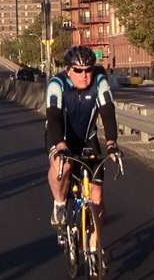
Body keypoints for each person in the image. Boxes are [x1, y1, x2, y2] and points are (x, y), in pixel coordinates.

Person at [45, 45, 122, 228]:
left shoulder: (99, 81)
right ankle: (59, 204)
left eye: (88, 70)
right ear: (68, 70)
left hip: (87, 137)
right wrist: (61, 145)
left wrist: (111, 143)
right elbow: (54, 116)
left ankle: (94, 250)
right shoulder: (57, 84)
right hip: (59, 135)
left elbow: (107, 111)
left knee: (97, 196)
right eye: (78, 70)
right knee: (63, 165)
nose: (84, 75)